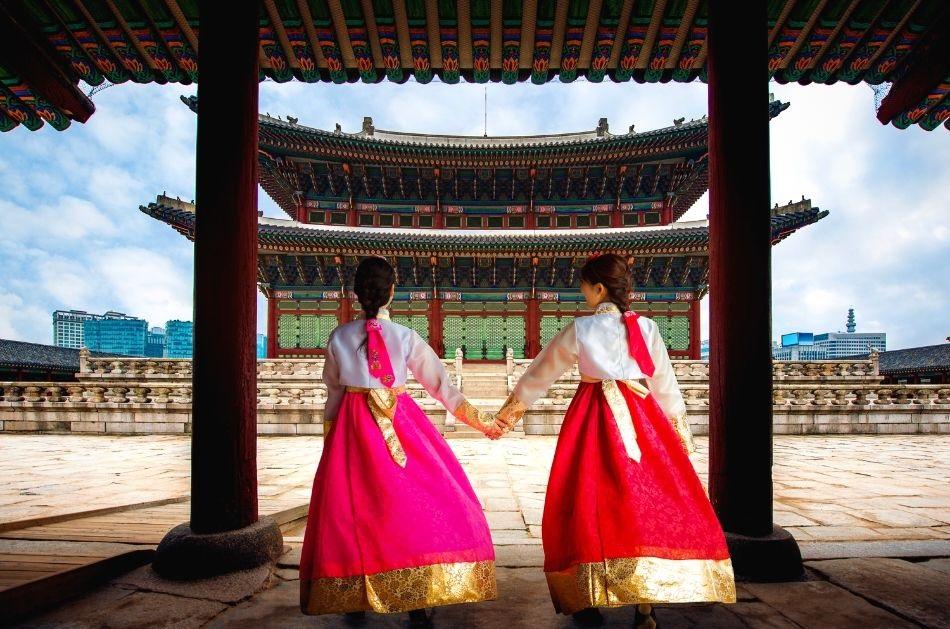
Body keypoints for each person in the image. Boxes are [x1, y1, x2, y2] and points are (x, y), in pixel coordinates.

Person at [494, 253, 736, 628]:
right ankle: (644, 599)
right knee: (644, 500)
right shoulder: (648, 329)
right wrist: (680, 435)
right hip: (643, 419)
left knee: (586, 500)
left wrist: (507, 415)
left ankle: (587, 594)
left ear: (599, 288)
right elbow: (665, 385)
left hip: (593, 420)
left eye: (584, 286)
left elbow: (541, 373)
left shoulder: (582, 329)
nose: (582, 293)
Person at [299, 256, 506, 627]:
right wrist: (482, 421)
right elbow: (442, 387)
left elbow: (333, 390)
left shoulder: (339, 337)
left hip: (352, 428)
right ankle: (417, 597)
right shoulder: (406, 336)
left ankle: (353, 595)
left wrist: (331, 435)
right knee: (411, 502)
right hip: (400, 422)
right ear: (392, 292)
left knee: (352, 508)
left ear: (355, 293)